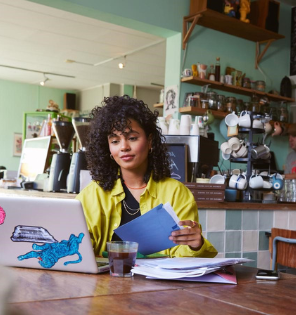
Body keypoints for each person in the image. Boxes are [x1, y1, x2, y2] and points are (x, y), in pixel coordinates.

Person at [76, 95, 217, 257]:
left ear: (150, 141)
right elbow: (80, 248)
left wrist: (195, 245)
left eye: (132, 138)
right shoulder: (91, 195)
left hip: (159, 282)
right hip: (105, 281)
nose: (124, 147)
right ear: (107, 147)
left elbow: (183, 254)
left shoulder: (177, 193)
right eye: (115, 141)